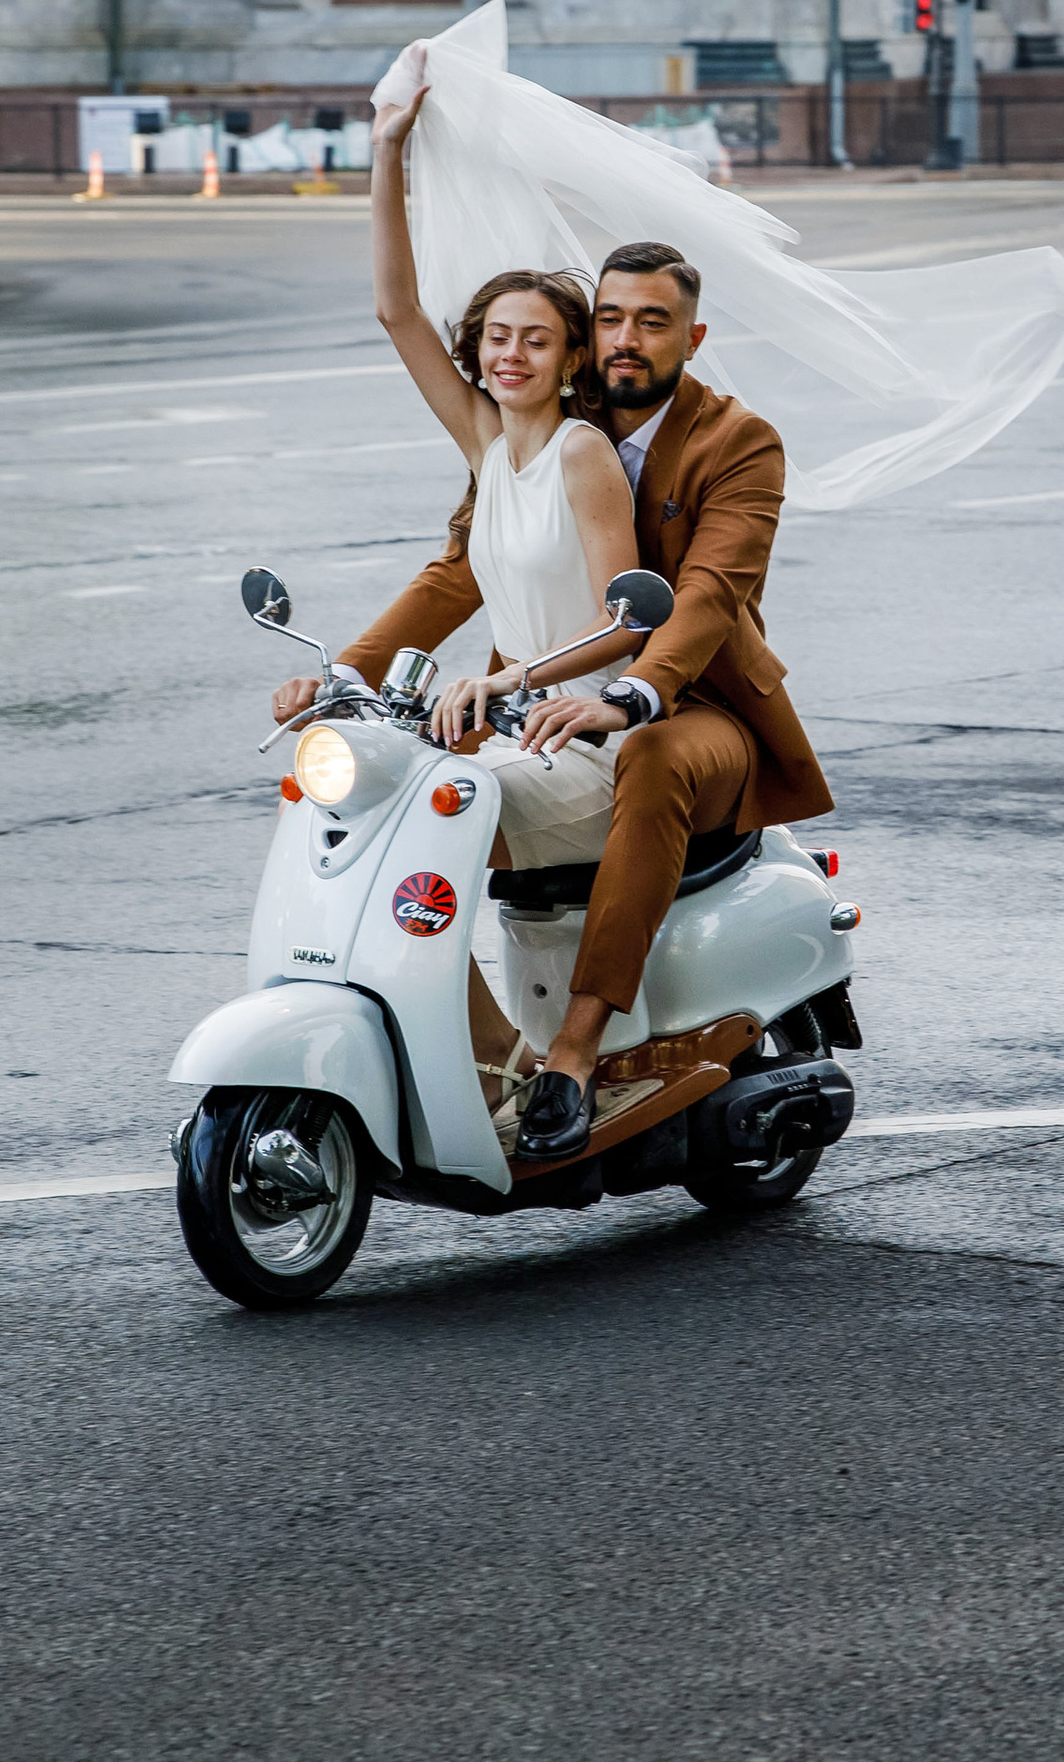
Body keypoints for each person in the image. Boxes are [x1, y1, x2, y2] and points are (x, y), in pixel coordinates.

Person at [340, 237, 832, 1167]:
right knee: (390, 817)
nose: (626, 338)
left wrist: (631, 694)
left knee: (650, 758)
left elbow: (704, 596)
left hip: (697, 707)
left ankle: (570, 1053)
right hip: (543, 710)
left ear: (693, 335)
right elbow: (461, 568)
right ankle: (492, 1059)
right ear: (590, 335)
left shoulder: (734, 441)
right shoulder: (528, 422)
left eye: (652, 322)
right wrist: (346, 674)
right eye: (611, 318)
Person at [274, 79, 637, 872]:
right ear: (476, 349)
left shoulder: (581, 452)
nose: (512, 354)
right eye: (498, 337)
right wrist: (387, 150)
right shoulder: (486, 445)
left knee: (411, 841)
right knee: (365, 831)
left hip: (586, 733)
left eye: (536, 341)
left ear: (573, 359)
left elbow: (625, 623)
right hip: (513, 725)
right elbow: (397, 311)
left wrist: (505, 677)